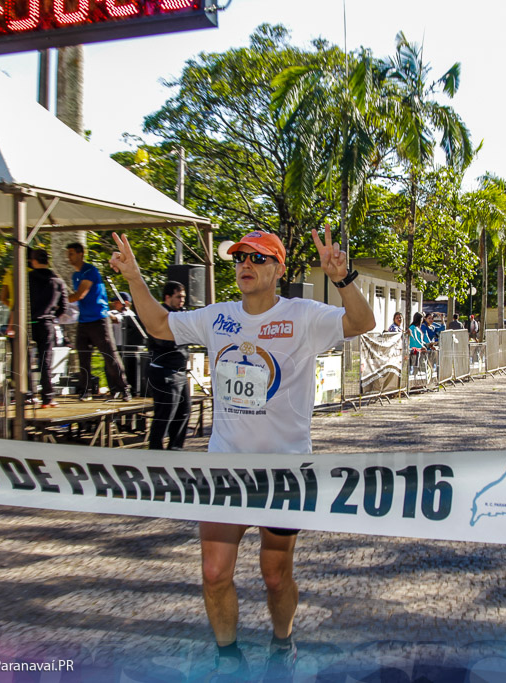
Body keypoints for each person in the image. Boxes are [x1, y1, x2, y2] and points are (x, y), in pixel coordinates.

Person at [109, 225, 375, 679]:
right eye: (239, 258)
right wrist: (135, 277)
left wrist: (343, 277)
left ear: (278, 268)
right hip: (226, 469)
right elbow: (157, 325)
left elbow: (362, 323)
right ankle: (228, 659)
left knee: (275, 575)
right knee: (214, 572)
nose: (245, 265)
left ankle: (282, 643)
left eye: (258, 258)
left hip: (284, 472)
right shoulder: (217, 317)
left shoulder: (303, 315)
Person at [66, 242, 131, 402]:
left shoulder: (90, 271)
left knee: (109, 356)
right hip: (83, 321)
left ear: (81, 254)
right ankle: (85, 391)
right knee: (83, 357)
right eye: (68, 254)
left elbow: (80, 294)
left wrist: (59, 301)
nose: (69, 257)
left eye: (72, 253)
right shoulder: (75, 275)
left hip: (99, 320)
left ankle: (124, 389)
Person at [146, 281, 190, 451]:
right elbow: (165, 341)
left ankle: (175, 449)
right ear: (167, 297)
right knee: (164, 416)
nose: (182, 301)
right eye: (178, 297)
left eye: (183, 297)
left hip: (180, 371)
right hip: (163, 371)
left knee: (184, 412)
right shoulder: (162, 315)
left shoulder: (182, 315)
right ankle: (155, 454)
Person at [28, 249, 67, 408]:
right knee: (46, 361)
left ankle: (28, 394)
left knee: (25, 360)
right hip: (47, 323)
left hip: (29, 323)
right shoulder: (57, 281)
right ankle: (48, 397)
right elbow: (63, 307)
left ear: (34, 261)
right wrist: (53, 315)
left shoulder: (28, 278)